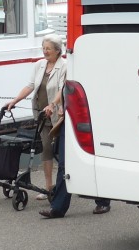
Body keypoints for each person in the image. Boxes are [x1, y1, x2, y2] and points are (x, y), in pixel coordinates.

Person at [4, 34, 67, 197]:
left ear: (58, 51)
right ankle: (48, 188)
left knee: (61, 152)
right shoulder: (40, 65)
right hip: (42, 116)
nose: (45, 51)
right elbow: (30, 86)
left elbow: (62, 89)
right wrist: (15, 100)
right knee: (46, 149)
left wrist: (53, 104)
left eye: (48, 49)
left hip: (58, 116)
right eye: (44, 48)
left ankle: (68, 184)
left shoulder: (64, 66)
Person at [40, 78, 111, 219]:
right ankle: (58, 208)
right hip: (71, 119)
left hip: (92, 118)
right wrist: (56, 103)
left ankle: (103, 201)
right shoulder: (73, 65)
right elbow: (65, 88)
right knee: (64, 164)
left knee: (94, 160)